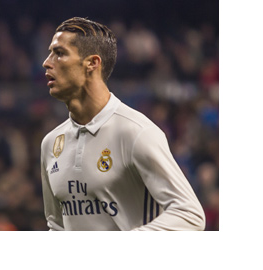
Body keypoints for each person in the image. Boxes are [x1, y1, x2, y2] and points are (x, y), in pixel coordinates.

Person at [40, 17, 205, 231]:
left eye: (59, 53)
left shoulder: (136, 132)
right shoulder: (50, 143)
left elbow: (189, 215)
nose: (47, 61)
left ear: (92, 63)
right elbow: (56, 225)